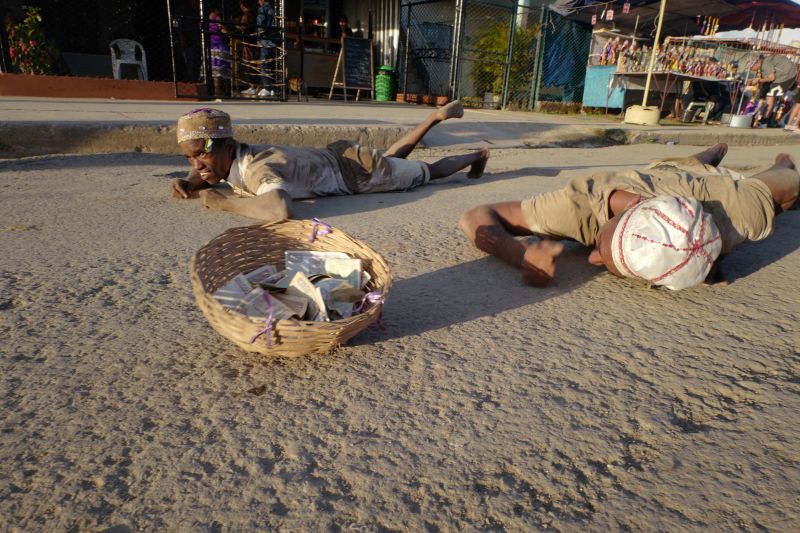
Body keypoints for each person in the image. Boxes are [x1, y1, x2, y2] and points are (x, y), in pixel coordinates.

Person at [459, 144, 798, 289]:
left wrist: (784, 169)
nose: (591, 258)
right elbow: (474, 216)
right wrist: (518, 254)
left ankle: (704, 161)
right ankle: (702, 158)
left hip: (703, 190)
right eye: (601, 247)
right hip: (658, 177)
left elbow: (789, 183)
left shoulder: (736, 215)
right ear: (627, 208)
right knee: (675, 167)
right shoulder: (578, 206)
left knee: (783, 195)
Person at [171, 103, 489, 222]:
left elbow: (279, 209)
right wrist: (191, 182)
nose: (196, 163)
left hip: (356, 174)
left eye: (201, 153)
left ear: (228, 145)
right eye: (189, 156)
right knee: (393, 160)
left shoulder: (256, 169)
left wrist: (222, 203)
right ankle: (433, 118)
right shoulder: (234, 156)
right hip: (341, 158)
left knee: (427, 172)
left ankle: (478, 155)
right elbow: (207, 170)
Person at [208, 5, 231, 97]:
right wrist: (226, 31)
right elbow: (224, 30)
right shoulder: (217, 18)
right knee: (218, 72)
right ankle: (217, 92)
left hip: (211, 45)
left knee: (215, 72)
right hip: (218, 45)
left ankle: (216, 91)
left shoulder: (208, 18)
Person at [255, 0, 276, 97]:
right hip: (273, 40)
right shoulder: (273, 9)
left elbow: (261, 24)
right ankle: (273, 88)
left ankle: (267, 87)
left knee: (264, 64)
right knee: (272, 64)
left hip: (264, 40)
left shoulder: (262, 9)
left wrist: (259, 33)